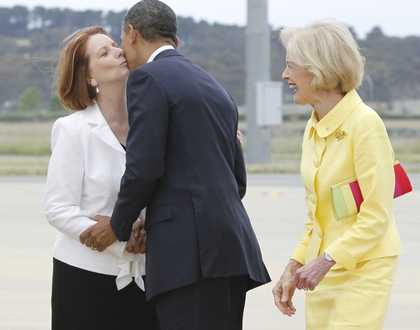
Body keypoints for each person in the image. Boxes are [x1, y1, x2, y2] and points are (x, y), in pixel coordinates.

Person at [80, 1, 271, 329]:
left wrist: (119, 225)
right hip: (231, 248)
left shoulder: (149, 79)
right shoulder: (213, 86)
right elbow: (237, 181)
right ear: (175, 39)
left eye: (122, 41)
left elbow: (144, 167)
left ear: (132, 33)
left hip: (189, 258)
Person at [272, 20, 401, 329]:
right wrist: (294, 265)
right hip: (321, 271)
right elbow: (316, 217)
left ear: (319, 69)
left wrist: (327, 259)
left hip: (363, 268)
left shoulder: (365, 124)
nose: (284, 75)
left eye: (291, 66)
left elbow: (376, 215)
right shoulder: (314, 126)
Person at [44, 26, 157, 330]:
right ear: (89, 77)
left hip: (149, 277)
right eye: (103, 52)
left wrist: (147, 229)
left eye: (114, 46)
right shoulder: (73, 130)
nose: (119, 51)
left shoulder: (151, 124)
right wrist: (119, 237)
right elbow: (58, 208)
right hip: (84, 277)